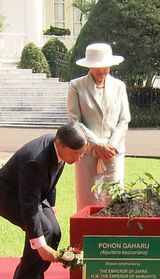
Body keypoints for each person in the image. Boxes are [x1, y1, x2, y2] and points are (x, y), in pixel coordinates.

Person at [0, 123, 87, 279]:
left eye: (82, 152)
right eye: (76, 153)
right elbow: (28, 205)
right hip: (8, 195)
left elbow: (51, 179)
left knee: (55, 230)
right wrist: (40, 245)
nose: (79, 157)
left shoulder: (61, 148)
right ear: (59, 145)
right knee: (43, 231)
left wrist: (52, 206)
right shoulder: (35, 160)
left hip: (33, 193)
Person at [67, 43, 131, 211]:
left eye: (105, 66)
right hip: (88, 153)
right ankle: (86, 237)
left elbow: (124, 120)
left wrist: (111, 146)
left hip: (113, 154)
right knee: (87, 202)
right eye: (97, 67)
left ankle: (114, 237)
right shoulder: (76, 86)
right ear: (89, 66)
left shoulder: (119, 86)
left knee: (114, 201)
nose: (102, 71)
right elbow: (74, 121)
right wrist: (96, 143)